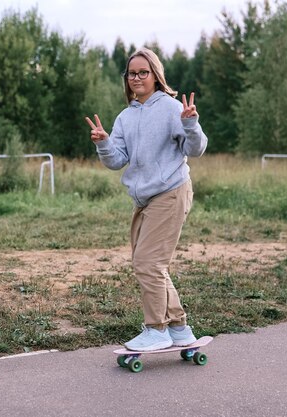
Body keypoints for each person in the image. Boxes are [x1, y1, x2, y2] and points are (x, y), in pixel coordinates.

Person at [85, 48, 208, 352]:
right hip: (146, 198)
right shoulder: (126, 116)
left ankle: (156, 329)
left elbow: (196, 149)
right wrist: (104, 143)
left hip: (171, 191)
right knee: (154, 264)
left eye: (143, 72)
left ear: (155, 75)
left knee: (148, 262)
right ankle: (179, 328)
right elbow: (117, 160)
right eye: (132, 73)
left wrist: (190, 123)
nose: (137, 78)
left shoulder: (169, 108)